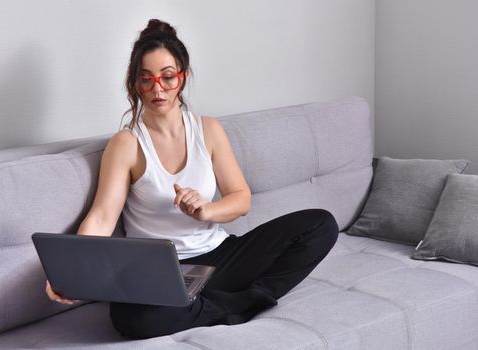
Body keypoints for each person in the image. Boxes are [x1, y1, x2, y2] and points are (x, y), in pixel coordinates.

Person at [45, 18, 339, 339]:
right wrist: (71, 271)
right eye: (147, 79)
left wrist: (206, 211)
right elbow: (102, 217)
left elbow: (240, 199)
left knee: (321, 225)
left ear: (182, 78)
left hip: (218, 257)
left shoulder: (208, 129)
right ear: (135, 84)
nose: (158, 88)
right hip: (158, 269)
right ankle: (233, 306)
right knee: (132, 320)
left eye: (167, 77)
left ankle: (227, 299)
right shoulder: (126, 144)